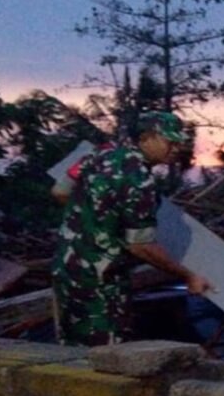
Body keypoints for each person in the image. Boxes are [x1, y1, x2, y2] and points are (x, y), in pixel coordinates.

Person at [52, 111, 212, 346]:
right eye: (170, 141)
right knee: (105, 355)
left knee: (70, 348)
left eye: (179, 142)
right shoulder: (140, 181)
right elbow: (140, 246)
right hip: (102, 281)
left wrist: (96, 219)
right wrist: (188, 275)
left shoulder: (97, 154)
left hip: (66, 268)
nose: (176, 148)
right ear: (146, 138)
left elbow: (59, 192)